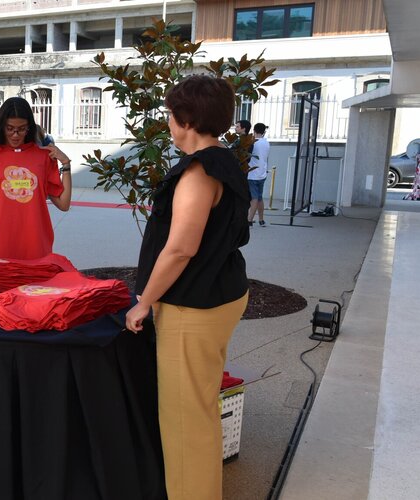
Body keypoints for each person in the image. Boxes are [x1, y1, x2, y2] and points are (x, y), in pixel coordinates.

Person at [125, 75, 250, 500]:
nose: (168, 122)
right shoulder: (225, 161)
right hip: (220, 294)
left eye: (170, 114)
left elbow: (180, 249)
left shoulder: (199, 172)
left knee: (184, 422)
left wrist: (144, 302)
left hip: (192, 306)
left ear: (187, 119)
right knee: (200, 408)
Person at [0, 97, 72, 260]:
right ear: (1, 127)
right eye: (10, 128)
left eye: (21, 129)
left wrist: (66, 164)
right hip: (1, 247)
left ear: (29, 128)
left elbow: (64, 204)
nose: (15, 135)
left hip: (37, 246)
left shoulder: (43, 157)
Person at [247, 123, 270, 226]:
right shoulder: (266, 143)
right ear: (264, 132)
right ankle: (261, 220)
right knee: (260, 198)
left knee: (254, 198)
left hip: (253, 174)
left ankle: (249, 220)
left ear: (254, 131)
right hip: (262, 173)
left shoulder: (253, 143)